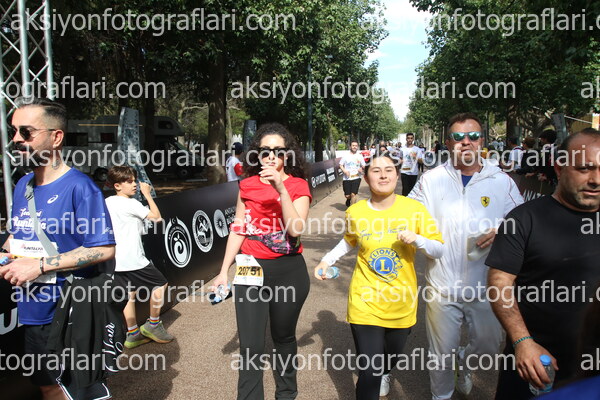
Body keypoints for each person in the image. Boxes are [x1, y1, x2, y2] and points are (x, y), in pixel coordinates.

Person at [0, 97, 116, 399]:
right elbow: (18, 234)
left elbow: (103, 248)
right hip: (31, 309)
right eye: (14, 131)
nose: (16, 139)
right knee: (48, 386)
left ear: (56, 137)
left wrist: (38, 266)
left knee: (70, 390)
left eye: (26, 132)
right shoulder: (23, 185)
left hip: (68, 312)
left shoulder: (80, 187)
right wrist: (4, 255)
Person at [408, 112, 524, 400]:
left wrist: (502, 229)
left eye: (473, 136)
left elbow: (522, 223)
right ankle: (441, 396)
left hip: (486, 286)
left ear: (482, 141)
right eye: (458, 137)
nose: (466, 142)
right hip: (442, 285)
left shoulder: (502, 181)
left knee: (487, 348)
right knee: (440, 355)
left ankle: (466, 361)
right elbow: (407, 214)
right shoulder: (431, 180)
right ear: (448, 143)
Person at [314, 153, 444, 399]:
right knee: (370, 371)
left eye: (388, 170)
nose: (383, 175)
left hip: (401, 303)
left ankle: (386, 371)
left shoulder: (415, 210)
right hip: (365, 301)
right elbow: (349, 240)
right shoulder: (356, 212)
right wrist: (327, 260)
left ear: (397, 175)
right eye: (376, 170)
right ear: (366, 177)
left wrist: (418, 239)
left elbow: (438, 250)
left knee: (389, 358)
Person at [487, 128, 600, 400]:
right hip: (536, 366)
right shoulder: (523, 219)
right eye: (584, 169)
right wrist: (523, 342)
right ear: (559, 169)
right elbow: (499, 283)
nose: (595, 179)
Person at [213, 122, 312, 400]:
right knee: (251, 346)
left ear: (287, 154)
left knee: (283, 336)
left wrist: (281, 188)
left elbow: (295, 229)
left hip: (289, 271)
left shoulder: (298, 185)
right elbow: (238, 228)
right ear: (256, 154)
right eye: (265, 150)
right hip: (250, 268)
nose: (271, 156)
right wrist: (223, 271)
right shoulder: (246, 185)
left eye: (278, 151)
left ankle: (286, 394)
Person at [105, 166, 174, 349]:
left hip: (115, 260)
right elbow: (157, 218)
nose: (134, 184)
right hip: (133, 259)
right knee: (160, 284)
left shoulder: (107, 202)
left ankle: (133, 333)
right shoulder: (131, 203)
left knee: (129, 293)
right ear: (117, 185)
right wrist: (148, 195)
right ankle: (153, 324)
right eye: (129, 181)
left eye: (134, 180)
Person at [340, 140, 366, 207]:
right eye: (353, 145)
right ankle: (348, 199)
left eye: (356, 146)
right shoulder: (346, 156)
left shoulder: (360, 156)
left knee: (353, 194)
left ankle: (352, 209)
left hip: (356, 177)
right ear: (350, 147)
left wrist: (362, 168)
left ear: (357, 147)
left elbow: (364, 165)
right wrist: (345, 171)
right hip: (347, 178)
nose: (354, 147)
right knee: (347, 195)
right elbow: (341, 165)